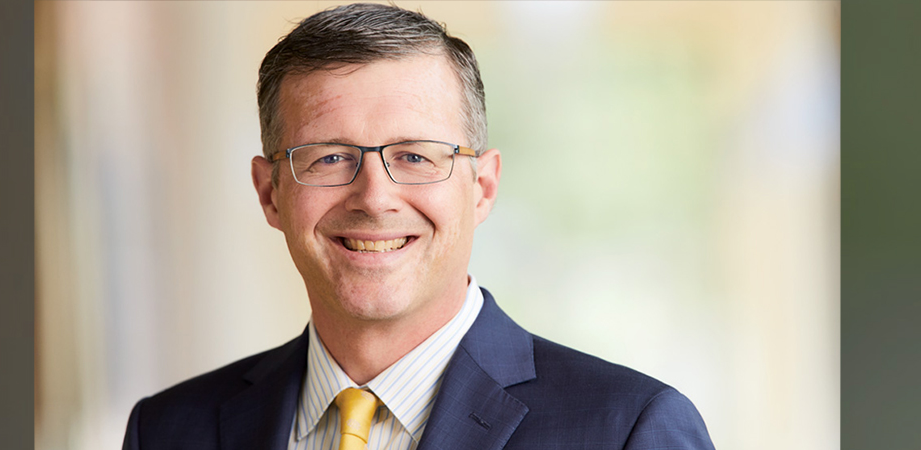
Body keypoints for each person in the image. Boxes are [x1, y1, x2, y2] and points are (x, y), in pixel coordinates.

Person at [122, 4, 713, 449]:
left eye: (415, 156)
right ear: (270, 193)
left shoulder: (627, 430)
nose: (375, 198)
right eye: (328, 157)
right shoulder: (170, 430)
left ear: (481, 186)